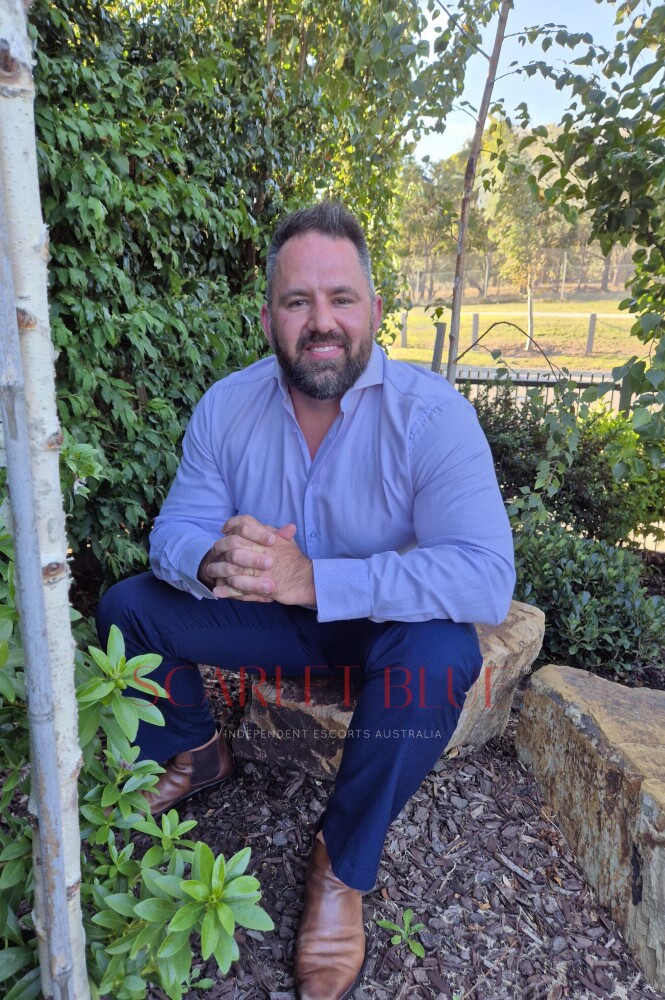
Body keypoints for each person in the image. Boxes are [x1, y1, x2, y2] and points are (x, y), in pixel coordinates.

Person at [97, 200, 515, 1000]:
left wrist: (315, 579)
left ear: (374, 311)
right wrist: (213, 557)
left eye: (340, 298)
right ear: (268, 320)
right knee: (129, 608)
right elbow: (174, 531)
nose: (321, 321)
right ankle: (197, 749)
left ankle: (340, 865)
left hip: (378, 634)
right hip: (264, 619)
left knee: (440, 654)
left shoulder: (433, 417)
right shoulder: (227, 406)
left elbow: (485, 575)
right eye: (297, 302)